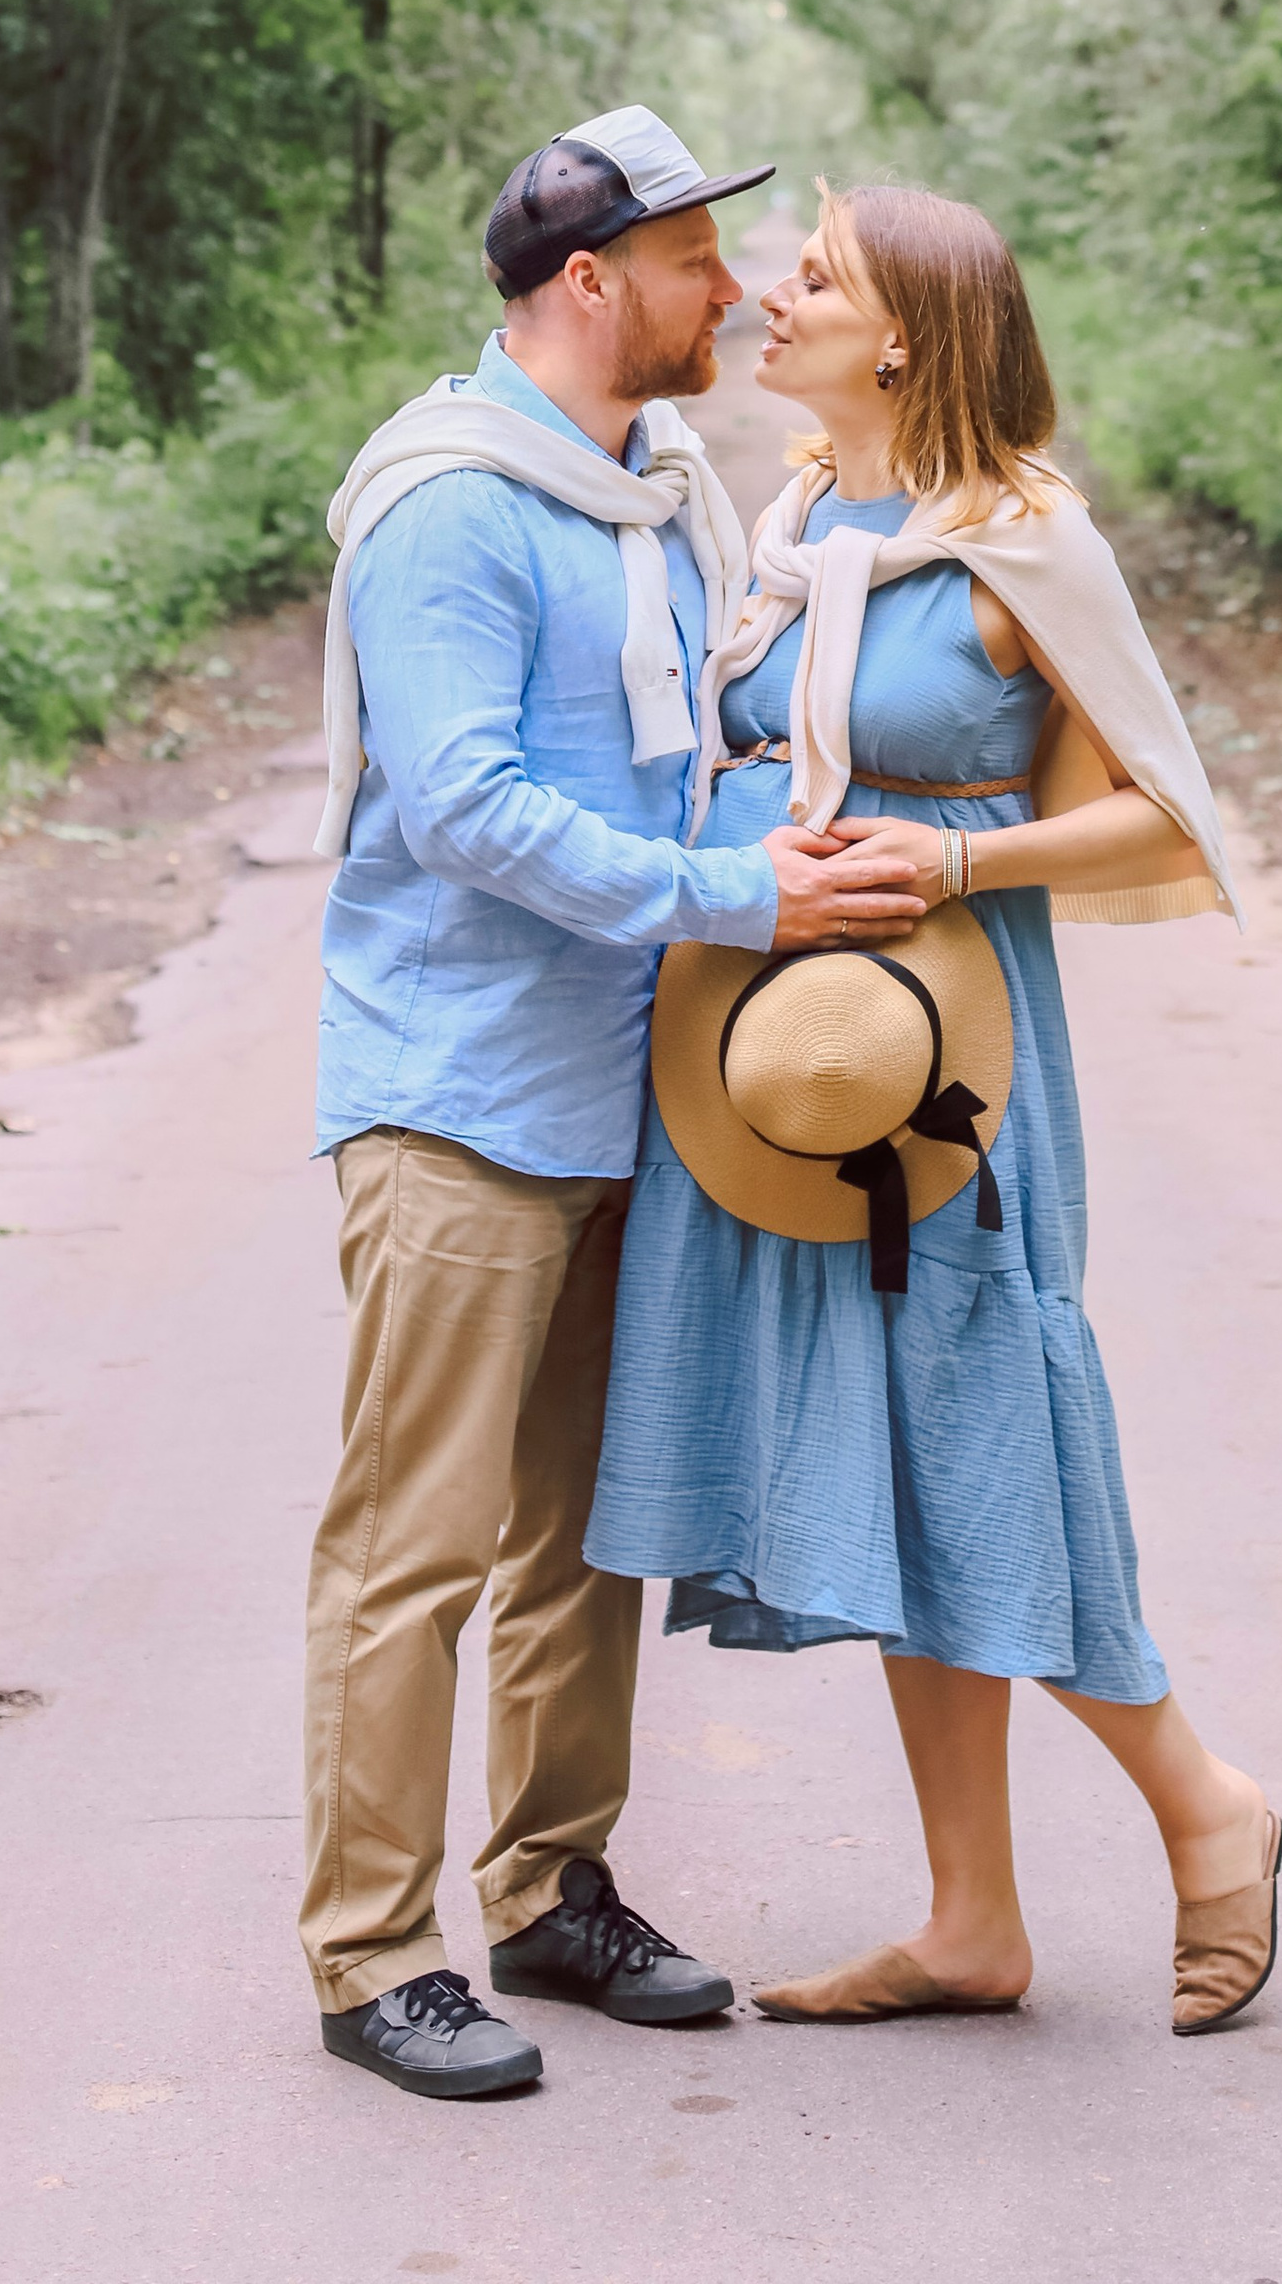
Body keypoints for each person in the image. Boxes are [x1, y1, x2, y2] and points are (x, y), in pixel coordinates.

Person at [586, 181, 1282, 2037]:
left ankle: (1210, 1810)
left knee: (984, 1434)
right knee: (893, 1458)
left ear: (902, 335)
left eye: (812, 281)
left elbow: (1162, 816)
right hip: (789, 1040)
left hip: (947, 1054)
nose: (770, 300)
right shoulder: (806, 519)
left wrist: (961, 866)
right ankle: (974, 1915)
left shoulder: (1020, 540)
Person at [299, 107, 932, 2102]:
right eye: (692, 262)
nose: (733, 296)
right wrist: (736, 895)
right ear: (591, 283)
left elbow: (689, 757)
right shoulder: (448, 509)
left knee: (579, 1542)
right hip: (458, 1101)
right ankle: (369, 1954)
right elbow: (468, 813)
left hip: (621, 1097)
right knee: (414, 1550)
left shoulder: (657, 483)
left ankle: (547, 1892)